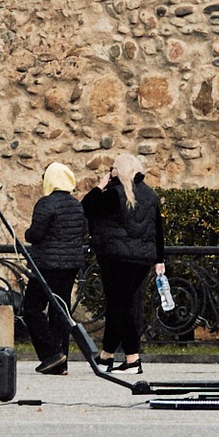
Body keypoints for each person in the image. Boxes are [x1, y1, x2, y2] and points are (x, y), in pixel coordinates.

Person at [85, 149, 161, 367]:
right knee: (120, 305)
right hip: (142, 259)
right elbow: (158, 229)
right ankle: (107, 354)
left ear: (119, 171)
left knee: (122, 306)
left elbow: (87, 207)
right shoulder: (149, 194)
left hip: (115, 257)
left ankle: (132, 358)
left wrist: (100, 185)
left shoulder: (113, 194)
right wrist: (159, 259)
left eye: (113, 168)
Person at [21, 159, 88, 375]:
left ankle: (52, 354)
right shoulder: (76, 205)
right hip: (70, 266)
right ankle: (62, 362)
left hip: (47, 265)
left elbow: (36, 234)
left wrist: (27, 234)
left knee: (32, 308)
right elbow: (82, 231)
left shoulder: (46, 203)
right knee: (60, 310)